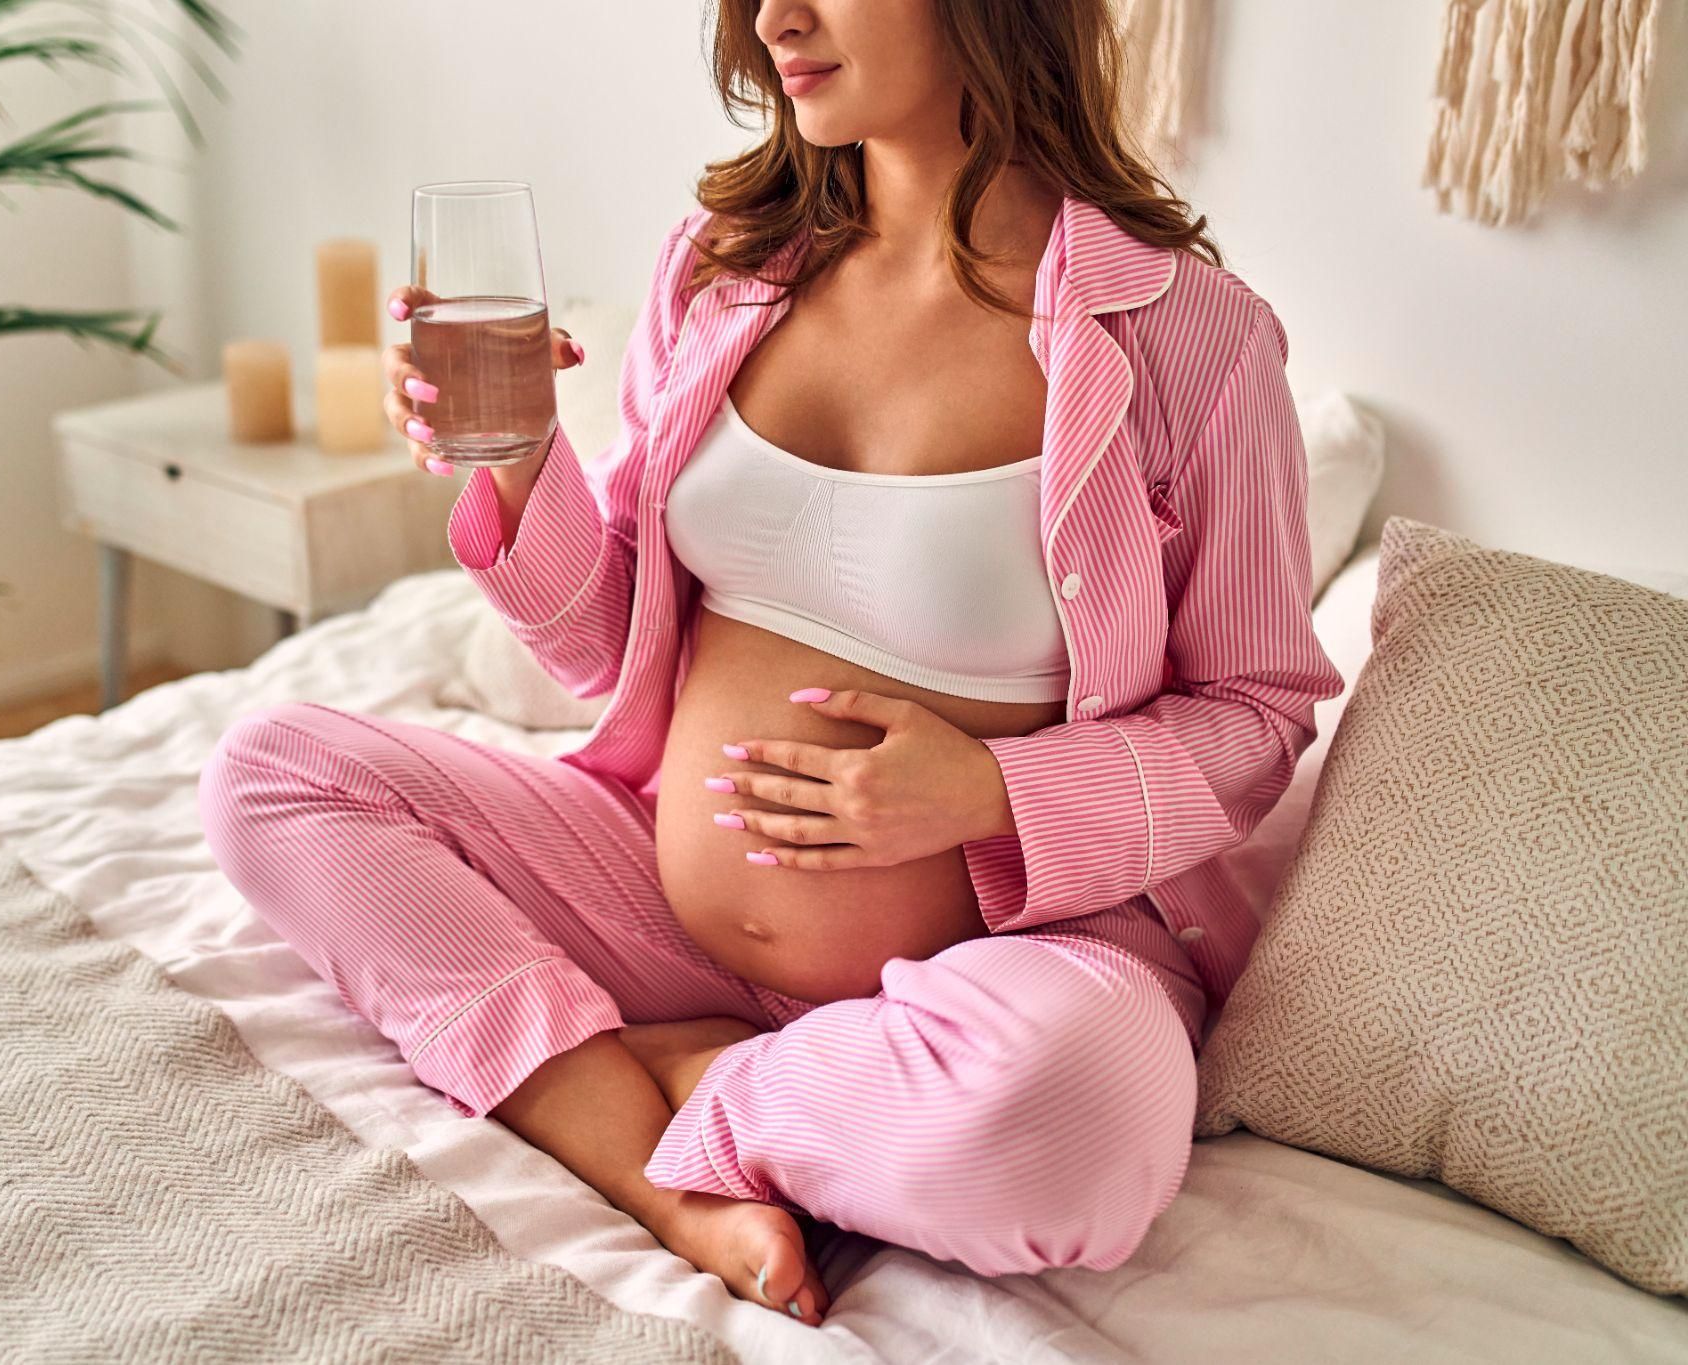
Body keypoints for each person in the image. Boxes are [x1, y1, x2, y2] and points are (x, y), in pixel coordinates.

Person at [199, 0, 1345, 1327]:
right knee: (272, 773)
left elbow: (1256, 716)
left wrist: (990, 791)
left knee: (1079, 1113)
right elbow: (601, 638)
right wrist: (519, 463)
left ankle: (709, 1084)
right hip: (658, 909)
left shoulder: (1189, 336)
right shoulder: (724, 263)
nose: (769, 17)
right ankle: (655, 1160)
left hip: (999, 958)